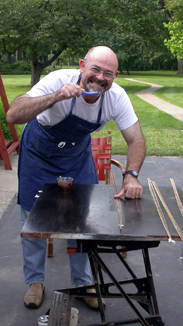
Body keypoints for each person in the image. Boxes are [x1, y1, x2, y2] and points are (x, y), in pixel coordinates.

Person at [6, 46, 146, 310]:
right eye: (94, 69)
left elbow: (136, 139)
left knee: (82, 220)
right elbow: (13, 115)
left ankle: (82, 283)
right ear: (82, 66)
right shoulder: (57, 81)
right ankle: (35, 282)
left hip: (76, 156)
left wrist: (131, 175)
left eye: (108, 73)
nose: (100, 78)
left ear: (115, 75)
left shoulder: (116, 97)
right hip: (39, 153)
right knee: (33, 218)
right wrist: (56, 97)